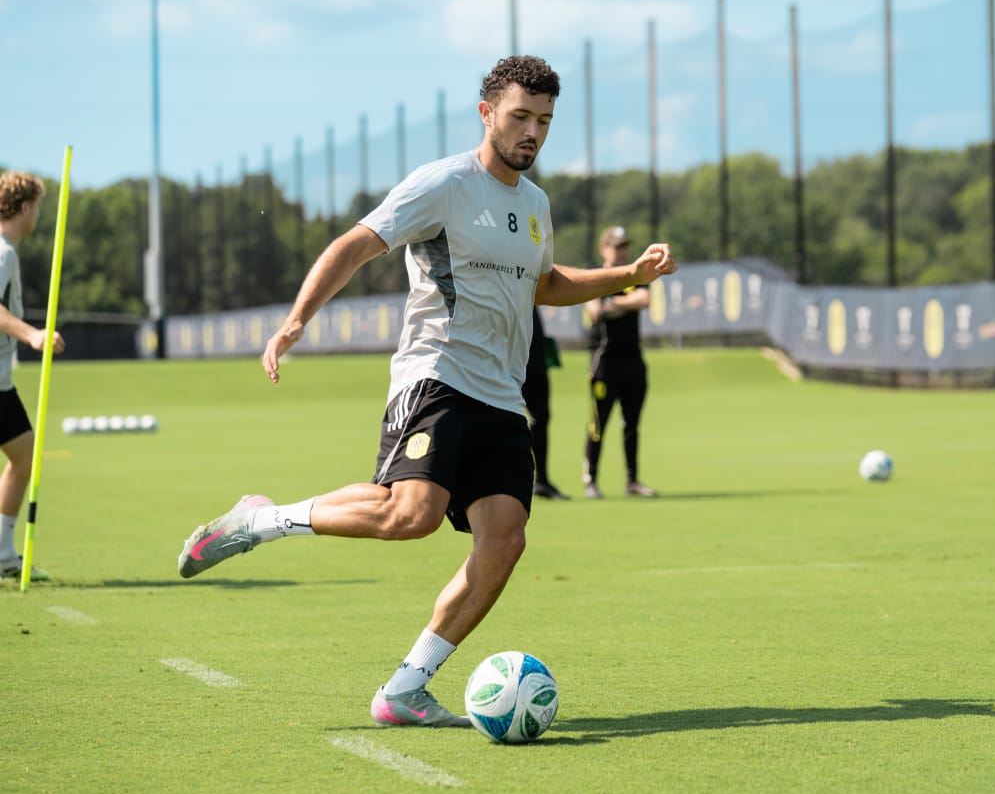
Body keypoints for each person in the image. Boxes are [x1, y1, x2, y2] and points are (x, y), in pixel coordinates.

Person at [175, 56, 677, 728]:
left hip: (502, 396)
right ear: (487, 114)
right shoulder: (444, 183)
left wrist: (628, 276)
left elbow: (544, 283)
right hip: (436, 375)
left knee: (504, 539)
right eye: (520, 116)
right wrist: (297, 320)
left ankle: (405, 689)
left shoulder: (535, 204)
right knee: (410, 514)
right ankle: (260, 520)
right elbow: (355, 245)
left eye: (544, 120)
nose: (532, 131)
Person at [0, 170, 64, 581]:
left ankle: (3, 553)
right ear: (24, 208)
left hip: (1, 384)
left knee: (23, 453)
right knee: (24, 454)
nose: (38, 215)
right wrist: (33, 335)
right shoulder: (3, 253)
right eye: (37, 207)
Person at [582, 226, 659, 499]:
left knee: (631, 424)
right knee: (598, 424)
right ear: (604, 249)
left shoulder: (635, 275)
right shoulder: (595, 277)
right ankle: (591, 480)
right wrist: (625, 303)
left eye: (625, 246)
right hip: (604, 363)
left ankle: (632, 481)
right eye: (617, 246)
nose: (623, 251)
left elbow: (644, 299)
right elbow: (595, 311)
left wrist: (612, 303)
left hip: (633, 361)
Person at [524, 306, 569, 500]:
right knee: (498, 418)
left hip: (535, 358)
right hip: (508, 361)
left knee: (541, 418)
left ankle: (541, 480)